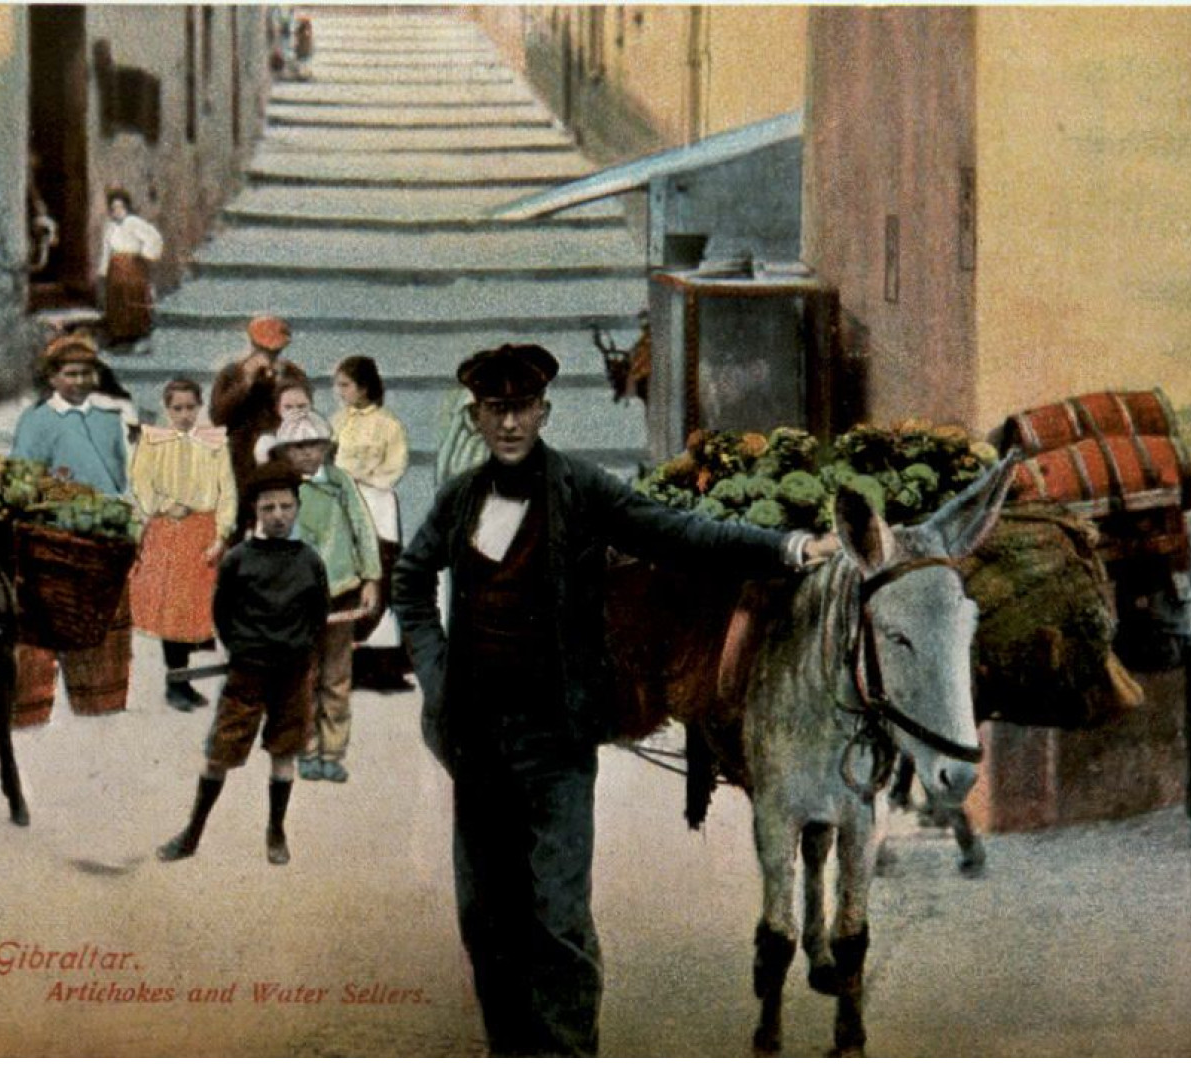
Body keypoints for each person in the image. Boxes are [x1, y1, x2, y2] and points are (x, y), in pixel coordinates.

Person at [390, 344, 838, 1057]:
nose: (510, 423)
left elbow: (682, 533)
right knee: (485, 918)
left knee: (558, 918)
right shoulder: (458, 499)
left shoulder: (581, 490)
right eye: (495, 410)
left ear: (544, 411)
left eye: (522, 408)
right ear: (476, 417)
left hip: (554, 739)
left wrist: (786, 549)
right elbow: (410, 583)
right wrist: (437, 673)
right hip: (474, 737)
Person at [157, 460, 329, 865]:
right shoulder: (238, 559)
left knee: (284, 754)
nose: (278, 516)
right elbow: (223, 613)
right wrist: (243, 649)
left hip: (292, 674)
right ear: (255, 511)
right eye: (268, 508)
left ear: (296, 507)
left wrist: (298, 651)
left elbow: (318, 615)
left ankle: (276, 832)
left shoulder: (309, 561)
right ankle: (191, 833)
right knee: (220, 753)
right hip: (246, 673)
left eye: (286, 507)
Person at [10, 333, 135, 718]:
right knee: (49, 614)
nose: (79, 381)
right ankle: (34, 702)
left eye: (86, 374)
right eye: (71, 374)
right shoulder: (36, 421)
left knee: (105, 612)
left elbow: (119, 474)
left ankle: (100, 695)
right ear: (53, 378)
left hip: (101, 531)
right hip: (57, 532)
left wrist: (117, 509)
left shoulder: (107, 420)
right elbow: (24, 473)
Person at [270, 412, 381, 783]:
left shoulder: (339, 483)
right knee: (302, 676)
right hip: (297, 598)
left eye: (313, 445)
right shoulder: (279, 491)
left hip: (340, 592)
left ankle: (332, 751)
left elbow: (363, 529)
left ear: (327, 447)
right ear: (284, 451)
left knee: (336, 678)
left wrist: (370, 578)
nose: (306, 453)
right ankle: (307, 747)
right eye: (296, 447)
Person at [128, 379, 237, 712]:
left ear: (200, 406)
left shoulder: (214, 442)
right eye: (178, 408)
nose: (185, 415)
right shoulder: (153, 441)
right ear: (167, 409)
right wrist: (163, 505)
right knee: (173, 608)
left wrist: (221, 533)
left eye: (191, 407)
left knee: (204, 605)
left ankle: (209, 677)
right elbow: (141, 483)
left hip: (203, 529)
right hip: (170, 530)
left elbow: (227, 489)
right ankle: (176, 681)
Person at [329, 355, 412, 691]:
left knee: (380, 572)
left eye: (346, 385)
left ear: (364, 387)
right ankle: (344, 651)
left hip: (376, 504)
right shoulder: (338, 421)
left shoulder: (388, 424)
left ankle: (383, 659)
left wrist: (365, 477)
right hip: (346, 505)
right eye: (338, 385)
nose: (340, 392)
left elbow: (396, 465)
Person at [209, 315, 309, 531]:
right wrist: (247, 383)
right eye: (264, 349)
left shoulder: (293, 374)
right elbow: (219, 416)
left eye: (275, 351)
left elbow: (302, 413)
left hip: (279, 457)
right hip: (241, 459)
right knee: (240, 517)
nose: (270, 356)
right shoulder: (233, 374)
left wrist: (281, 384)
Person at [98, 189, 163, 345]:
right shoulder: (110, 227)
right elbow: (107, 249)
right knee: (116, 298)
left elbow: (153, 237)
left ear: (126, 207)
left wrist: (144, 254)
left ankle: (136, 332)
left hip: (132, 265)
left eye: (120, 207)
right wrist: (104, 269)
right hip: (116, 267)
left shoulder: (134, 223)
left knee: (132, 295)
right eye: (113, 208)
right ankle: (118, 332)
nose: (116, 211)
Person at [251, 381, 314, 468]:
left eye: (301, 406)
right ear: (278, 409)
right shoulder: (267, 442)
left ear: (310, 406)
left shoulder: (323, 435)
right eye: (288, 407)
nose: (295, 411)